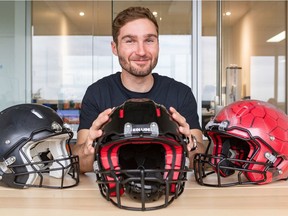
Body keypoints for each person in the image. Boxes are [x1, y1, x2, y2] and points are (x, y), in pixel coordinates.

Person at [72, 6, 205, 173]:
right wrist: (87, 149)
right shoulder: (97, 93)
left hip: (170, 190)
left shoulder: (180, 93)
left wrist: (191, 144)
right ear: (114, 47)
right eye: (130, 41)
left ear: (158, 44)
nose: (141, 51)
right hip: (113, 191)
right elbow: (80, 165)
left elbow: (201, 161)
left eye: (149, 40)